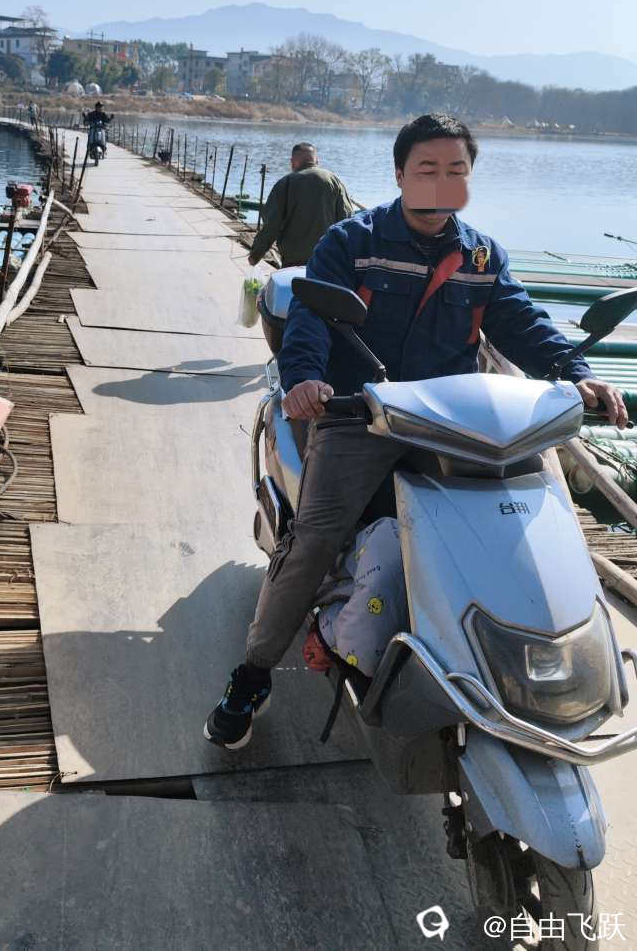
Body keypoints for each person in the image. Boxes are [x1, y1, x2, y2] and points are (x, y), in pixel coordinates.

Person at [205, 113, 627, 749]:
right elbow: (313, 316)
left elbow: (522, 323)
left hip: (452, 425)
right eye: (427, 168)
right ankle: (254, 672)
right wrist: (305, 378)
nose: (441, 181)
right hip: (358, 416)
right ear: (400, 173)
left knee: (520, 521)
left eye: (456, 170)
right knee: (315, 537)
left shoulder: (482, 256)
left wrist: (578, 372)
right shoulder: (352, 242)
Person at [248, 143, 354, 352]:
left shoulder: (285, 184)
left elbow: (271, 226)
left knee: (293, 311)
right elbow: (347, 221)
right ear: (317, 160)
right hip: (328, 263)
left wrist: (256, 254)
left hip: (293, 264)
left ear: (293, 162)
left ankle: (292, 352)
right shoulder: (333, 180)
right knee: (324, 312)